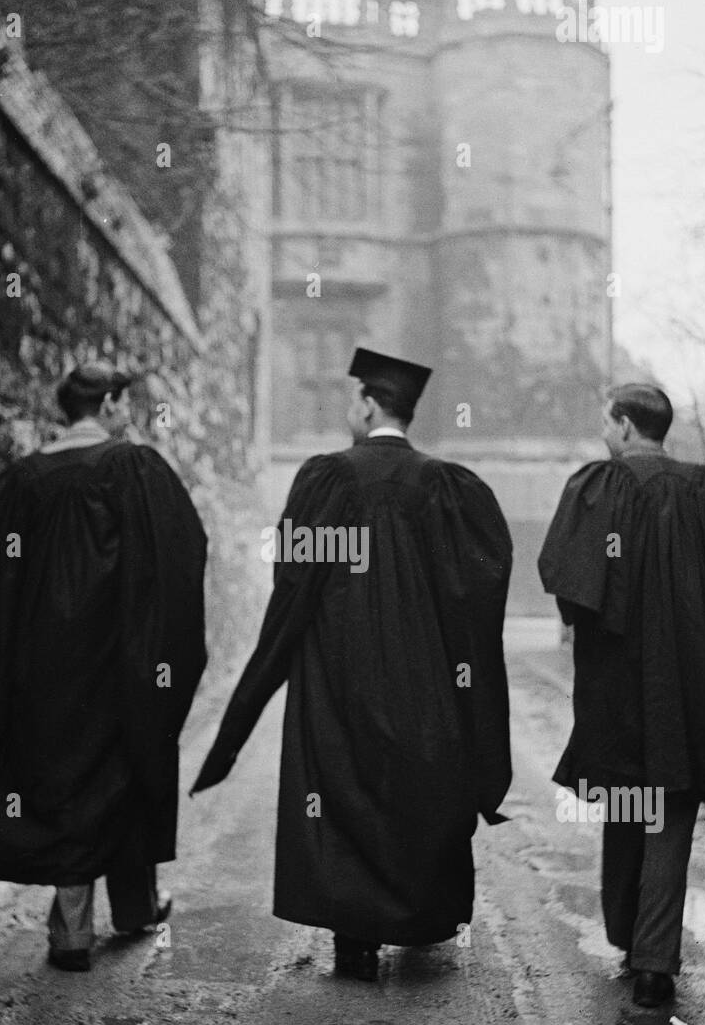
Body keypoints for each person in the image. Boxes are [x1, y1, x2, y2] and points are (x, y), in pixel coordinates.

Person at [192, 347, 513, 981]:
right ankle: (414, 921)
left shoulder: (325, 479)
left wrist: (264, 677)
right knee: (416, 790)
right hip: (426, 680)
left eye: (352, 401)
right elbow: (473, 591)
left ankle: (356, 941)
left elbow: (293, 583)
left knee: (341, 791)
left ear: (368, 405)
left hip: (336, 676)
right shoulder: (446, 486)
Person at [0, 363, 207, 972]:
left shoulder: (21, 482)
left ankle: (75, 928)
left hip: (44, 676)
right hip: (121, 665)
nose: (130, 415)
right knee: (128, 770)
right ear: (108, 404)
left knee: (64, 787)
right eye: (125, 403)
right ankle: (133, 909)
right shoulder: (135, 471)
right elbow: (182, 554)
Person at [538, 383, 705, 1007]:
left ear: (627, 426)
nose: (605, 432)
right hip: (689, 682)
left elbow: (572, 595)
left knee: (630, 805)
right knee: (672, 812)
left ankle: (632, 941)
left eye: (608, 421)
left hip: (616, 685)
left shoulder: (598, 489)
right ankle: (655, 962)